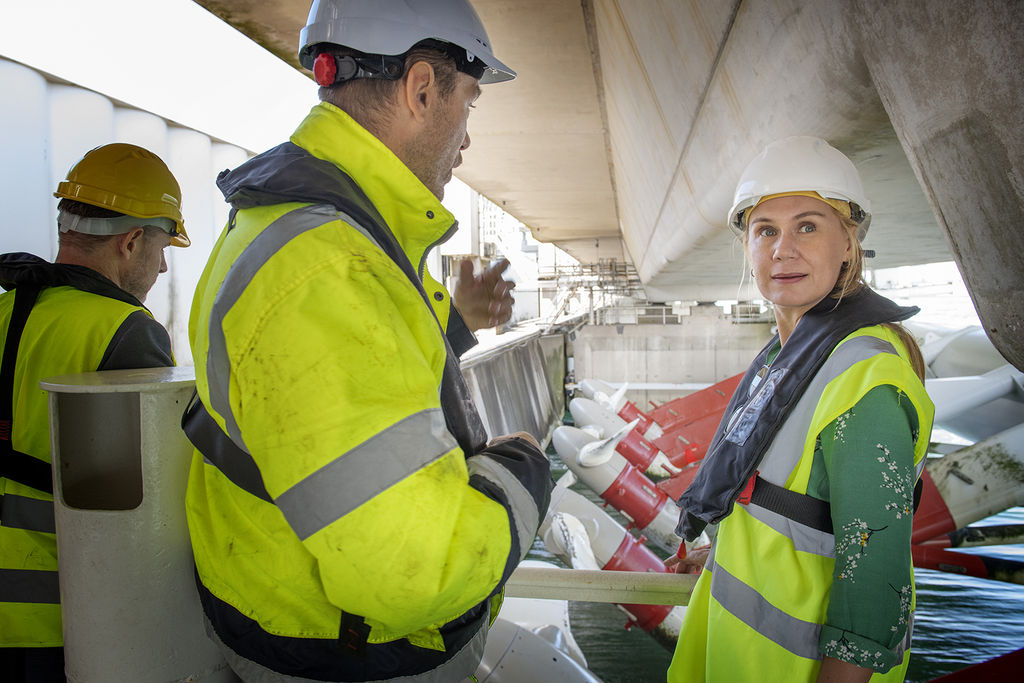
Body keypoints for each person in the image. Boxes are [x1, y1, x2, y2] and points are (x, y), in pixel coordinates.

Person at [181, 1, 553, 681]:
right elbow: (408, 573)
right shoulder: (328, 268)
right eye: (468, 101)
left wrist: (457, 323)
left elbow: (347, 382)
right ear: (419, 89)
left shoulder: (308, 228)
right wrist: (522, 469)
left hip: (285, 615)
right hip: (342, 649)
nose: (466, 137)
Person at [667, 136, 934, 682]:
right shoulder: (785, 359)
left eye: (808, 226)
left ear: (848, 242)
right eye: (766, 230)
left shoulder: (864, 381)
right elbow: (788, 511)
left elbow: (874, 586)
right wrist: (726, 555)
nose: (782, 249)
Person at [0, 142, 188, 682]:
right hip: (59, 620)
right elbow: (154, 503)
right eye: (161, 246)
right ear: (131, 243)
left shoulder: (5, 309)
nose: (162, 263)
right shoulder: (128, 332)